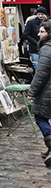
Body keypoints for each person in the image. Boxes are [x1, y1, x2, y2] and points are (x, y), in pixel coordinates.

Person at [28, 20, 51, 166]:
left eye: (42, 31)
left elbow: (41, 73)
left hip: (47, 89)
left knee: (40, 116)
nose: (38, 33)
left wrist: (32, 91)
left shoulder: (47, 49)